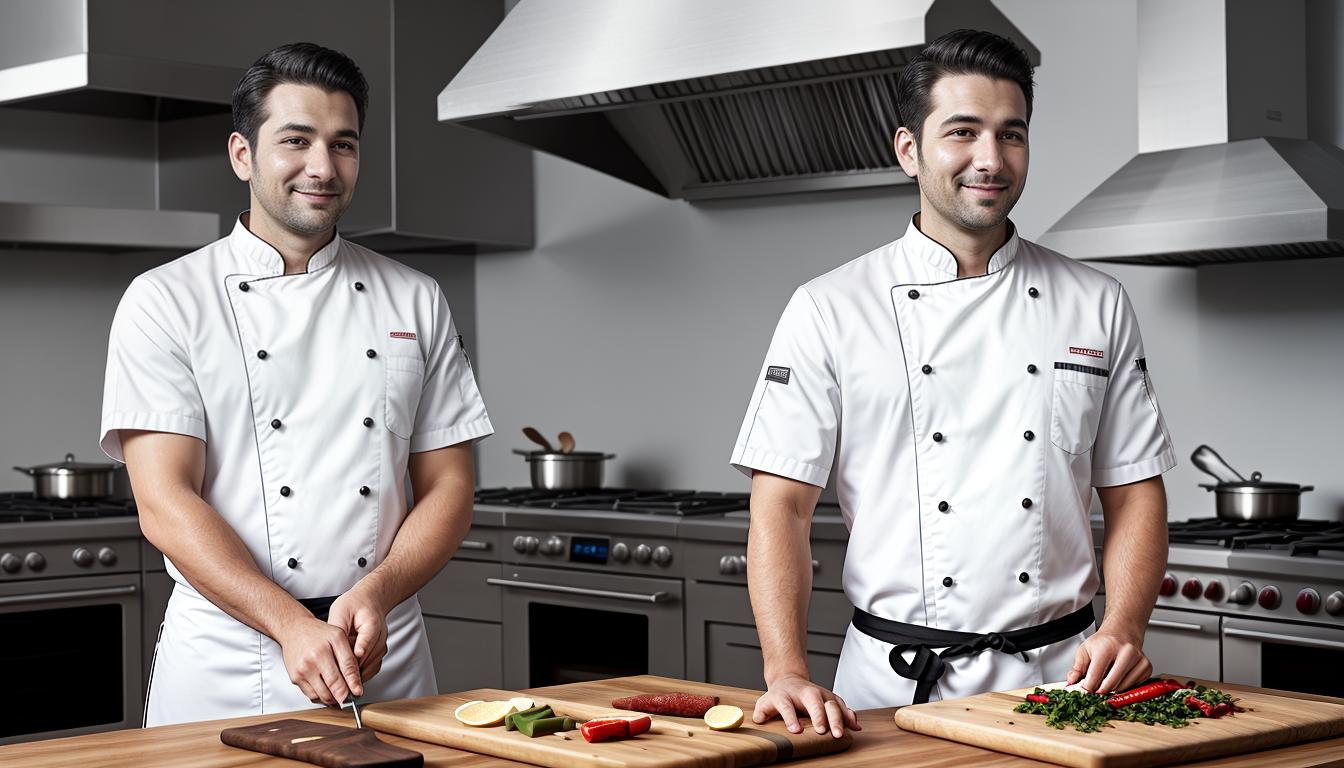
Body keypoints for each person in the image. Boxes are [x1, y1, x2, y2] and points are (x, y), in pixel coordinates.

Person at [730, 29, 1174, 738]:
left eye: (1011, 135)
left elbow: (1135, 490)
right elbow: (779, 507)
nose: (990, 160)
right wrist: (784, 668)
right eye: (962, 132)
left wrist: (1123, 626)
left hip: (1064, 683)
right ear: (909, 148)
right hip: (889, 690)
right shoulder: (830, 308)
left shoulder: (1095, 301)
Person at [100, 42, 492, 725]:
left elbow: (450, 488)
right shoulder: (166, 300)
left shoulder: (415, 298)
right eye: (296, 140)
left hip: (383, 652)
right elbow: (164, 501)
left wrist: (378, 592)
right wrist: (288, 624)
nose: (322, 167)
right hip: (226, 658)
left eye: (343, 145)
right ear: (242, 155)